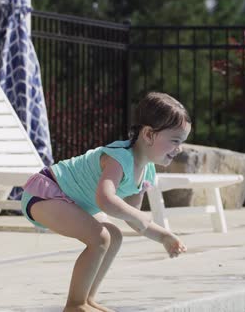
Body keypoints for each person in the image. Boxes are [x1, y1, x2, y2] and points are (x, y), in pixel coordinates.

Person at [20, 92, 190, 312]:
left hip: (72, 203)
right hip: (46, 192)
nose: (180, 148)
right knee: (100, 237)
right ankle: (75, 305)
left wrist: (165, 237)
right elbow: (105, 199)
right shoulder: (119, 158)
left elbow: (133, 219)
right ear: (149, 135)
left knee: (115, 236)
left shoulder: (147, 172)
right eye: (175, 141)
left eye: (182, 142)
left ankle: (87, 299)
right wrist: (136, 215)